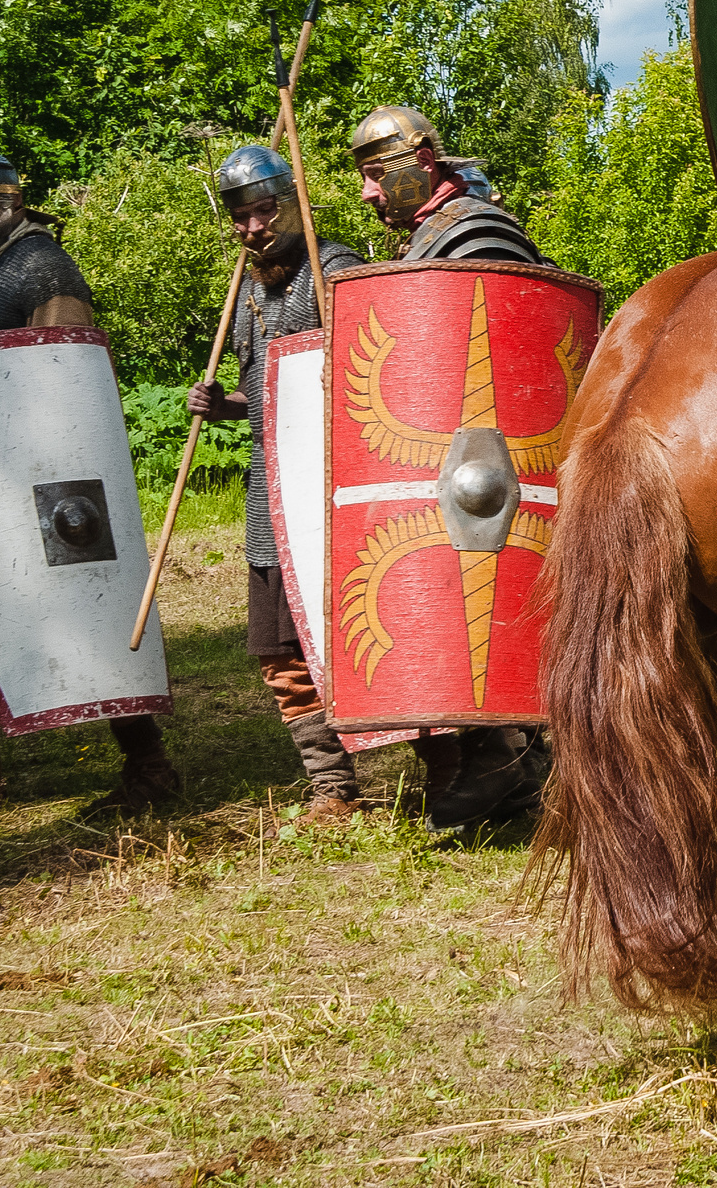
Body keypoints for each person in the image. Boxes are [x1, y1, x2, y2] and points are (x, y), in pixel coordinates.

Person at [0, 149, 182, 817]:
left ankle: (148, 762)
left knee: (85, 618)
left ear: (15, 201)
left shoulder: (41, 265)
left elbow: (59, 380)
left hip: (43, 485)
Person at [348, 105, 553, 829]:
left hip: (492, 468)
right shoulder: (428, 239)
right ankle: (494, 760)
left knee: (489, 598)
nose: (369, 193)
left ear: (421, 163)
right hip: (447, 468)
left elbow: (508, 361)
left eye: (377, 175)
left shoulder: (476, 231)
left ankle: (516, 752)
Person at [185, 146, 366, 824]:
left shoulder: (334, 271)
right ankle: (332, 785)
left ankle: (440, 764)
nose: (253, 228)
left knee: (358, 633)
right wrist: (224, 405)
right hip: (271, 493)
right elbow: (263, 394)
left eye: (263, 211)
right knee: (277, 648)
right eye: (241, 217)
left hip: (330, 488)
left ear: (292, 203)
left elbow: (369, 377)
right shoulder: (246, 291)